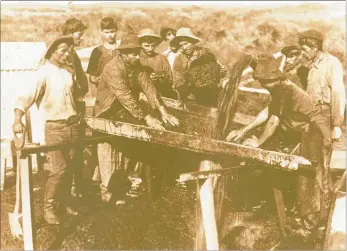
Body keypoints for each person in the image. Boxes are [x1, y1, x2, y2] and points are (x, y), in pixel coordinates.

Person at [226, 55, 333, 244]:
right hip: (304, 131)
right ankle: (305, 220)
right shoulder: (281, 88)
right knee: (308, 178)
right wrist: (244, 130)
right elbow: (268, 112)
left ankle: (313, 228)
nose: (261, 85)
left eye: (263, 81)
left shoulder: (285, 90)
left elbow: (274, 121)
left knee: (311, 178)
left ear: (270, 80)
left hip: (314, 133)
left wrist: (258, 143)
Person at [94, 34, 179, 203]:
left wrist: (163, 112)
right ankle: (108, 191)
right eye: (131, 53)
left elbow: (149, 87)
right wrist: (147, 117)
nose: (135, 56)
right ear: (122, 53)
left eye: (136, 52)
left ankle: (130, 185)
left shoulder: (136, 66)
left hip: (126, 109)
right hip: (108, 110)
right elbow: (126, 96)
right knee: (112, 150)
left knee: (133, 146)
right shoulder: (114, 69)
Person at [12, 36, 84, 225]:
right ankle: (49, 209)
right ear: (52, 51)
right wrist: (17, 119)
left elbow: (78, 97)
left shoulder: (68, 73)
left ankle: (65, 203)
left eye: (69, 50)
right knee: (59, 170)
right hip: (55, 127)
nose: (66, 54)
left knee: (71, 169)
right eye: (62, 50)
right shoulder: (42, 73)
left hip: (73, 126)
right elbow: (26, 97)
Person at [294, 29, 345, 243]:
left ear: (314, 46)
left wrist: (336, 124)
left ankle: (320, 221)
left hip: (323, 118)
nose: (302, 52)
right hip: (311, 119)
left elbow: (337, 94)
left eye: (304, 48)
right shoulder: (310, 66)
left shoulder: (331, 63)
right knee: (309, 166)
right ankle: (310, 217)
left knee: (321, 169)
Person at [61, 17, 89, 198]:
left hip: (77, 106)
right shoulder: (64, 54)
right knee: (69, 152)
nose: (82, 38)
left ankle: (76, 189)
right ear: (71, 34)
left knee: (77, 149)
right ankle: (69, 192)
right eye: (80, 34)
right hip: (69, 109)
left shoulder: (74, 54)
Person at [172, 27, 227, 107]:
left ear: (193, 42)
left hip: (211, 95)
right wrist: (191, 82)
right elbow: (178, 83)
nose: (184, 48)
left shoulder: (206, 53)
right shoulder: (179, 59)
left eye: (186, 44)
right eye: (181, 46)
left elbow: (218, 72)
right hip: (191, 99)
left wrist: (221, 72)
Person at [138, 28, 177, 99]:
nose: (150, 49)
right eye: (146, 46)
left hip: (160, 94)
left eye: (153, 45)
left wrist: (160, 78)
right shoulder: (136, 58)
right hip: (140, 95)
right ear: (140, 44)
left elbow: (169, 78)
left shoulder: (161, 58)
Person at [86, 17, 121, 86]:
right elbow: (92, 76)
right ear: (102, 32)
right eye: (106, 32)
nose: (110, 35)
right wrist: (95, 80)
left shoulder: (122, 50)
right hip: (103, 90)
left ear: (117, 31)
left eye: (112, 31)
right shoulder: (97, 52)